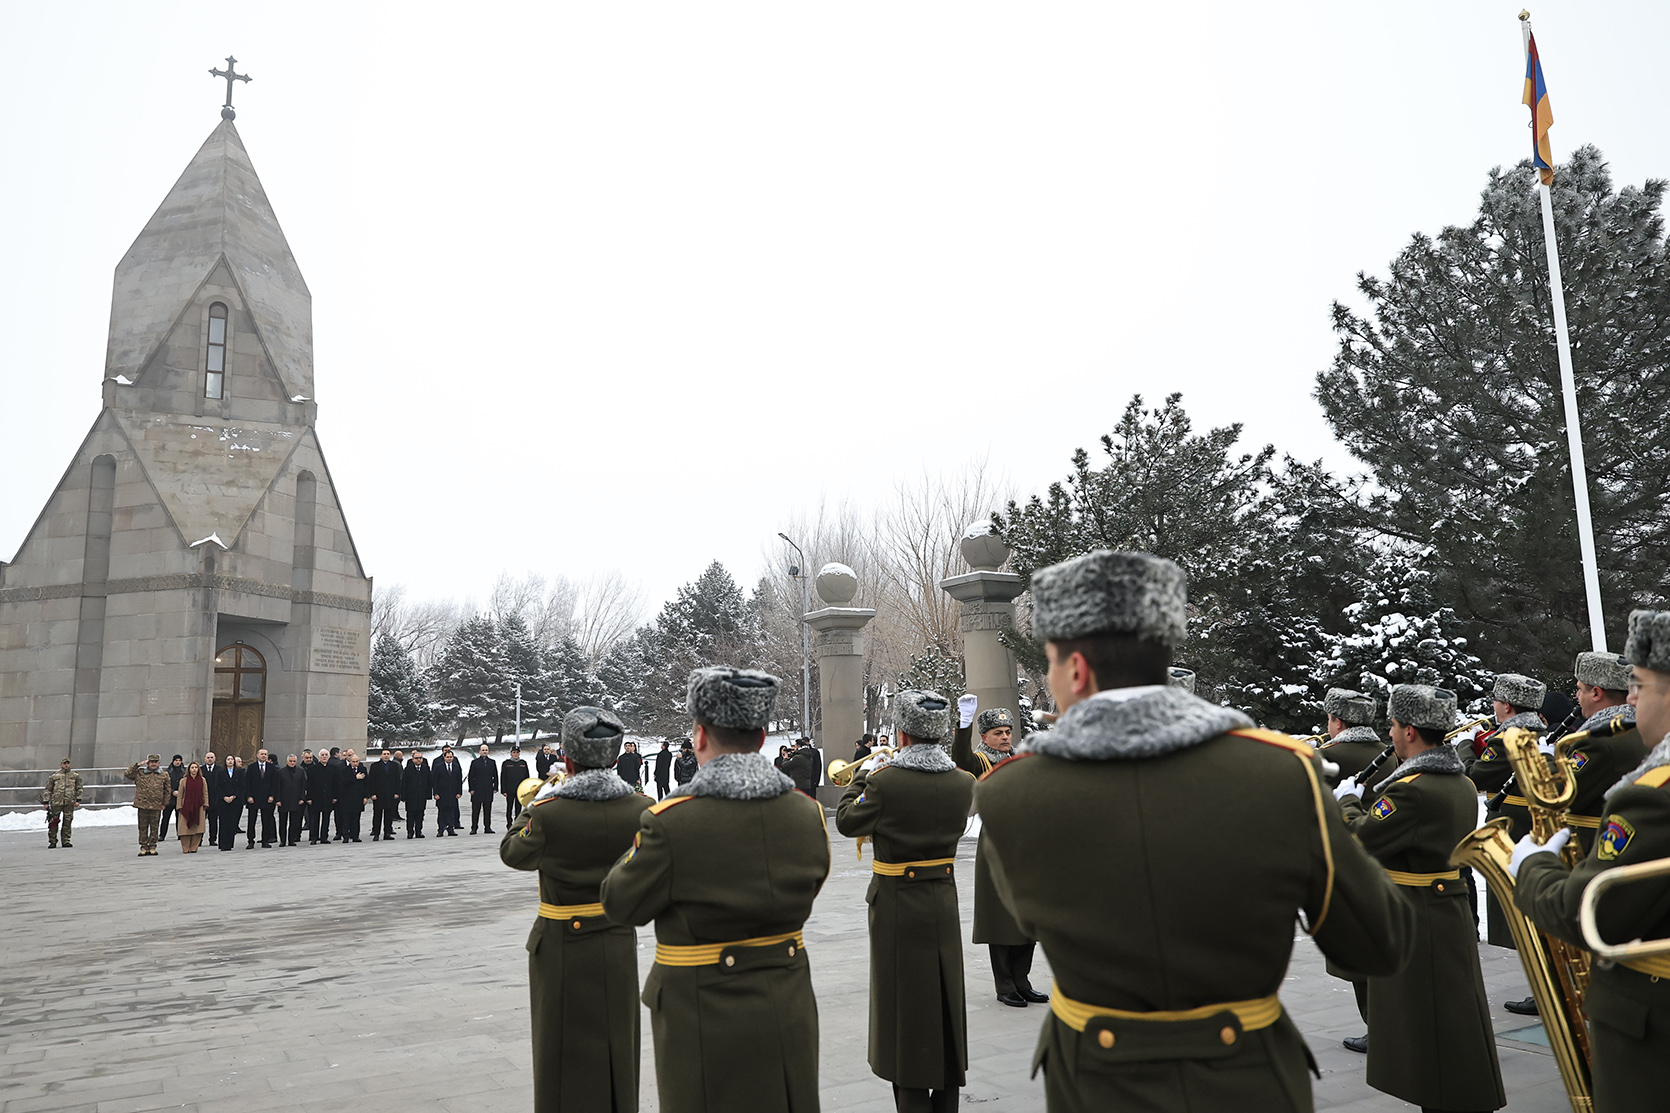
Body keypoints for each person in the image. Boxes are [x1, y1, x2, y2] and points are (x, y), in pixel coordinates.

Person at [977, 550, 1415, 1112]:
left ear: (1078, 669)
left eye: (1050, 663)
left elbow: (1028, 916)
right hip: (1249, 1077)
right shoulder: (1280, 770)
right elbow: (1375, 944)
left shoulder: (1011, 791)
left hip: (1096, 1080)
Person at [601, 666, 830, 1113]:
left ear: (700, 735)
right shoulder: (807, 813)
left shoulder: (671, 819)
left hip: (700, 1008)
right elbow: (813, 880)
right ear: (761, 737)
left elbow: (620, 903)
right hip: (788, 998)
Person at [1513, 608, 1670, 1113]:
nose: (1632, 699)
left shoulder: (1653, 795)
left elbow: (1588, 913)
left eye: (1640, 685)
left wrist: (1531, 867)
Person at [1335, 683, 1506, 1113]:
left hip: (1418, 916)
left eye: (1394, 725)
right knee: (1448, 1021)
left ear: (1410, 731)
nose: (1390, 733)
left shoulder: (1412, 789)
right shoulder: (1459, 781)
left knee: (1427, 1027)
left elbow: (1360, 840)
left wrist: (1348, 802)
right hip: (1444, 908)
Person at [502, 707, 653, 1113]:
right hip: (618, 937)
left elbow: (513, 852)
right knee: (620, 1041)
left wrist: (538, 801)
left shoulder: (548, 812)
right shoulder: (642, 807)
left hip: (560, 943)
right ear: (615, 758)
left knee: (559, 1048)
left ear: (567, 760)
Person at [837, 689, 974, 1113]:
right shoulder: (963, 782)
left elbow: (846, 820)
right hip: (943, 900)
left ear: (902, 733)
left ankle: (912, 1101)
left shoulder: (884, 782)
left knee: (903, 1007)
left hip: (896, 903)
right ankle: (946, 1098)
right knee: (945, 999)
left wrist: (865, 775)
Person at [951, 701, 1045, 1008]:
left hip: (1027, 845)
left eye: (1007, 731)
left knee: (1026, 916)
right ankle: (1005, 984)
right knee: (1000, 917)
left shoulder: (1020, 758)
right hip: (997, 845)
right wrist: (964, 723)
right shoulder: (980, 760)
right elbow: (961, 759)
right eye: (998, 732)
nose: (1005, 737)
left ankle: (1022, 980)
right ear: (985, 736)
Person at [1313, 687, 1385, 1052]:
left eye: (1329, 719)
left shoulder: (1327, 756)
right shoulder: (1387, 753)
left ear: (1338, 721)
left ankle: (1378, 1027)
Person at [1559, 650, 1650, 850]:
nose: (1577, 696)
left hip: (1592, 846)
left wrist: (1548, 760)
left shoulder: (1599, 741)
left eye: (1580, 689)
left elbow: (1561, 795)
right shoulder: (1643, 729)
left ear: (1596, 693)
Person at [124, 753, 172, 857]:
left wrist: (165, 803)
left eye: (155, 762)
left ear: (159, 763)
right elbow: (127, 773)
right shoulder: (140, 773)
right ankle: (144, 846)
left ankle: (153, 846)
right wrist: (138, 765)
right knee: (142, 827)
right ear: (147, 763)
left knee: (154, 827)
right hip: (143, 804)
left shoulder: (164, 774)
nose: (153, 764)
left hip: (156, 805)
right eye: (151, 762)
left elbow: (167, 790)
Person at [42, 757, 83, 849]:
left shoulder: (75, 776)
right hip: (56, 802)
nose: (66, 765)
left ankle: (66, 841)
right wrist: (46, 801)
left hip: (69, 802)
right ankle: (53, 841)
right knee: (53, 822)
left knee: (67, 822)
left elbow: (79, 788)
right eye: (64, 763)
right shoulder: (54, 776)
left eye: (67, 763)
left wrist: (78, 800)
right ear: (61, 764)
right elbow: (48, 789)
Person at [208, 755, 244, 852]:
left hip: (235, 800)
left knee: (232, 822)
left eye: (232, 759)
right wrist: (224, 796)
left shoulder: (239, 772)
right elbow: (217, 786)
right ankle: (223, 844)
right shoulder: (220, 772)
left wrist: (234, 796)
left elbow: (241, 786)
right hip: (223, 801)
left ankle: (230, 843)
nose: (230, 761)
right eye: (228, 759)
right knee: (223, 822)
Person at [244, 748, 279, 848]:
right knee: (251, 821)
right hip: (254, 798)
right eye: (262, 754)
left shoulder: (272, 768)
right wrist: (249, 796)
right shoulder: (251, 767)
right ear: (257, 755)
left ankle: (265, 840)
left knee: (266, 821)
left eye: (265, 754)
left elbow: (274, 783)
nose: (263, 756)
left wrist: (272, 795)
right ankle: (251, 841)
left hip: (267, 798)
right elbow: (247, 783)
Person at [367, 747, 401, 841]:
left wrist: (397, 792)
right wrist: (372, 794)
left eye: (388, 754)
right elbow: (371, 781)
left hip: (390, 794)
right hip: (378, 794)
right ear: (381, 755)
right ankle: (376, 833)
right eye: (384, 754)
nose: (386, 756)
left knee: (388, 815)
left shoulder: (394, 766)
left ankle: (387, 833)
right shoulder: (375, 766)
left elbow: (397, 780)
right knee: (377, 815)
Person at [174, 761, 209, 853]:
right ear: (189, 769)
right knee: (185, 829)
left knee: (198, 828)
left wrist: (206, 804)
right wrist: (179, 806)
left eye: (196, 767)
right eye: (192, 767)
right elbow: (180, 794)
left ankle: (194, 847)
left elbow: (205, 793)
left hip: (199, 806)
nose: (194, 769)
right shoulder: (183, 780)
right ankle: (186, 847)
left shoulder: (202, 780)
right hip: (185, 807)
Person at [276, 753, 308, 847]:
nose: (292, 763)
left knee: (294, 821)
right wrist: (278, 799)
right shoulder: (280, 772)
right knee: (282, 822)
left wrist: (302, 798)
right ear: (287, 761)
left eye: (294, 761)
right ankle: (283, 840)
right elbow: (277, 787)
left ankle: (291, 840)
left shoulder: (300, 771)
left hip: (296, 799)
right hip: (283, 800)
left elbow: (303, 786)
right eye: (290, 761)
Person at [336, 750, 368, 842]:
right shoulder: (344, 770)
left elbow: (366, 783)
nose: (355, 763)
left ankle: (355, 835)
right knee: (346, 818)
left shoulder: (362, 769)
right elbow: (343, 782)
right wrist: (355, 778)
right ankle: (346, 835)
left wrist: (366, 796)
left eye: (357, 761)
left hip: (358, 797)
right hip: (347, 797)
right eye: (353, 761)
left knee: (356, 818)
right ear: (350, 762)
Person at [301, 749, 332, 844]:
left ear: (329, 757)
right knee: (314, 819)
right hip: (315, 798)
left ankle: (324, 837)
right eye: (322, 755)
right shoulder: (313, 769)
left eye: (326, 755)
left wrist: (335, 797)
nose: (324, 757)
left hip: (328, 797)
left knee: (326, 818)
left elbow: (335, 784)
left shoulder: (333, 768)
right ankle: (314, 837)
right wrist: (309, 798)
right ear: (319, 757)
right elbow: (309, 785)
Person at [467, 743, 498, 834]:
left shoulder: (492, 762)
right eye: (483, 750)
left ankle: (487, 827)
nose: (484, 752)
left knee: (487, 810)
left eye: (486, 750)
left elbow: (495, 775)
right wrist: (471, 788)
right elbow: (471, 776)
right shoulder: (475, 762)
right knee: (475, 810)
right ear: (479, 751)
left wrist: (495, 787)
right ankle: (474, 828)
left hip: (488, 789)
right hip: (477, 790)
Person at [433, 746, 464, 836]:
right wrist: (435, 793)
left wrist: (459, 792)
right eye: (447, 757)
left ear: (453, 757)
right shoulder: (438, 767)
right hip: (441, 794)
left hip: (452, 794)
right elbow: (435, 781)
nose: (449, 758)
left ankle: (451, 829)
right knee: (442, 812)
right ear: (444, 757)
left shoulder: (456, 767)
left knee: (451, 812)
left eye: (451, 757)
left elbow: (459, 780)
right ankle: (441, 829)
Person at [403, 752, 432, 838]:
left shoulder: (426, 768)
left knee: (420, 814)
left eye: (420, 758)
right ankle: (410, 832)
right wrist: (403, 796)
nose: (418, 760)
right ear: (413, 759)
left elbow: (429, 782)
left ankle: (418, 831)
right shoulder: (408, 769)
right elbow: (404, 783)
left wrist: (429, 794)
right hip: (410, 796)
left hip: (422, 795)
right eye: (416, 758)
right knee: (410, 814)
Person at [500, 744, 529, 826]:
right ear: (511, 753)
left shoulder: (523, 763)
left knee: (518, 807)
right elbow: (503, 777)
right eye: (514, 752)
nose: (515, 754)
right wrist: (503, 790)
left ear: (519, 753)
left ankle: (517, 822)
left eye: (517, 752)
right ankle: (509, 823)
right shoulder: (506, 763)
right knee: (509, 807)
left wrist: (526, 789)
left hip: (520, 789)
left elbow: (526, 777)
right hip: (510, 789)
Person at [157, 754, 185, 841]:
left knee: (179, 818)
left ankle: (180, 834)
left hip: (180, 798)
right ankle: (162, 835)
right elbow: (164, 784)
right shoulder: (168, 772)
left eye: (179, 760)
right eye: (176, 760)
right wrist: (172, 791)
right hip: (169, 798)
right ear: (173, 761)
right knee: (165, 818)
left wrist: (180, 792)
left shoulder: (184, 771)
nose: (178, 762)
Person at [199, 750, 222, 845]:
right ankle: (199, 840)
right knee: (201, 821)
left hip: (214, 799)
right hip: (202, 800)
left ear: (215, 759)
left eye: (211, 757)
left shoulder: (219, 770)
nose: (210, 759)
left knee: (213, 821)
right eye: (208, 758)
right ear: (205, 759)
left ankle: (212, 839)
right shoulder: (200, 770)